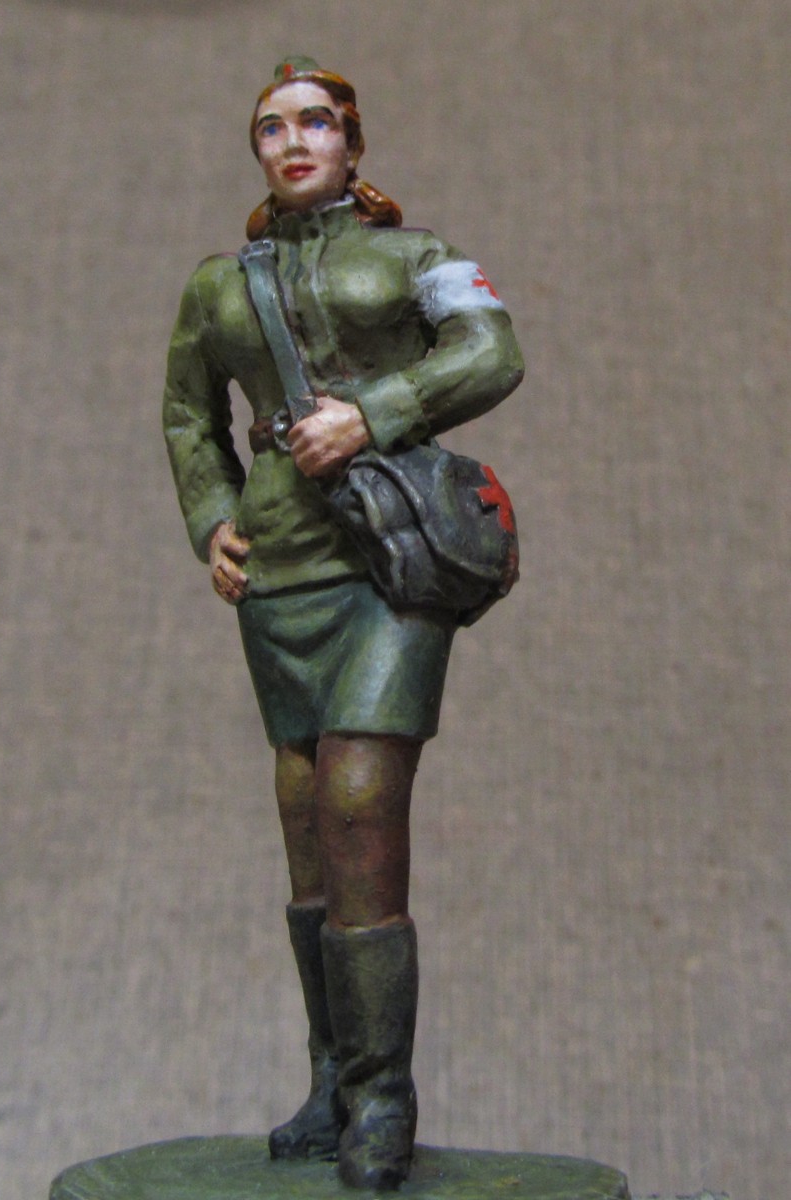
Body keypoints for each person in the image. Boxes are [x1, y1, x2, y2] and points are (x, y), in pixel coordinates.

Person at [163, 56, 524, 1191]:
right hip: (281, 572)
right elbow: (188, 413)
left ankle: (383, 1094)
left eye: (316, 122)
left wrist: (373, 413)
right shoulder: (219, 288)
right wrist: (213, 518)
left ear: (352, 143)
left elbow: (494, 349)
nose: (295, 142)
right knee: (307, 819)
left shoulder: (413, 259)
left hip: (389, 562)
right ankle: (331, 1076)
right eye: (272, 127)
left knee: (360, 799)